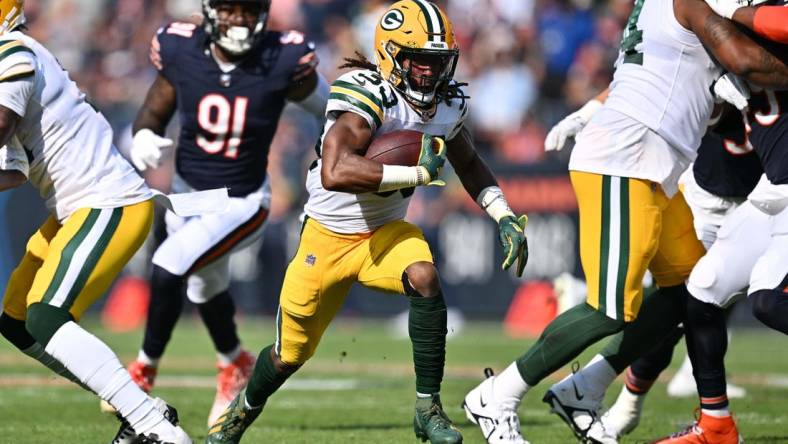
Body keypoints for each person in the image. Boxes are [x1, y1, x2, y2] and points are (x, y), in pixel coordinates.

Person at [462, 0, 788, 441]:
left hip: (657, 159)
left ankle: (585, 389)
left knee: (690, 292)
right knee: (611, 307)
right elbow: (743, 58)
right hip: (627, 155)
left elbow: (666, 68)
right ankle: (498, 393)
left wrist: (593, 106)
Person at [205, 1, 528, 443]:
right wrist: (416, 174)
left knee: (425, 277)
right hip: (328, 235)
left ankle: (428, 409)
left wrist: (502, 213)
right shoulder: (366, 92)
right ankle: (242, 411)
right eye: (420, 63)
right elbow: (336, 171)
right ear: (391, 57)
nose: (430, 75)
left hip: (384, 232)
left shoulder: (446, 104)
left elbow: (469, 163)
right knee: (289, 354)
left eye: (438, 64)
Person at [121, 0, 329, 425]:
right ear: (211, 11)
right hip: (186, 197)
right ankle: (235, 363)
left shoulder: (282, 58)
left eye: (248, 9)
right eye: (230, 8)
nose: (239, 18)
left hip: (242, 201)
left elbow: (335, 110)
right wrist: (143, 134)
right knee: (203, 287)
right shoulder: (181, 49)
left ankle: (143, 370)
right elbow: (154, 109)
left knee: (168, 264)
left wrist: (336, 155)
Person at [0, 1, 192, 442]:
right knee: (15, 322)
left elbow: (2, 123)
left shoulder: (14, 51)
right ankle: (143, 409)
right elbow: (12, 172)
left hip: (108, 201)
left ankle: (154, 429)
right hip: (76, 208)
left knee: (46, 318)